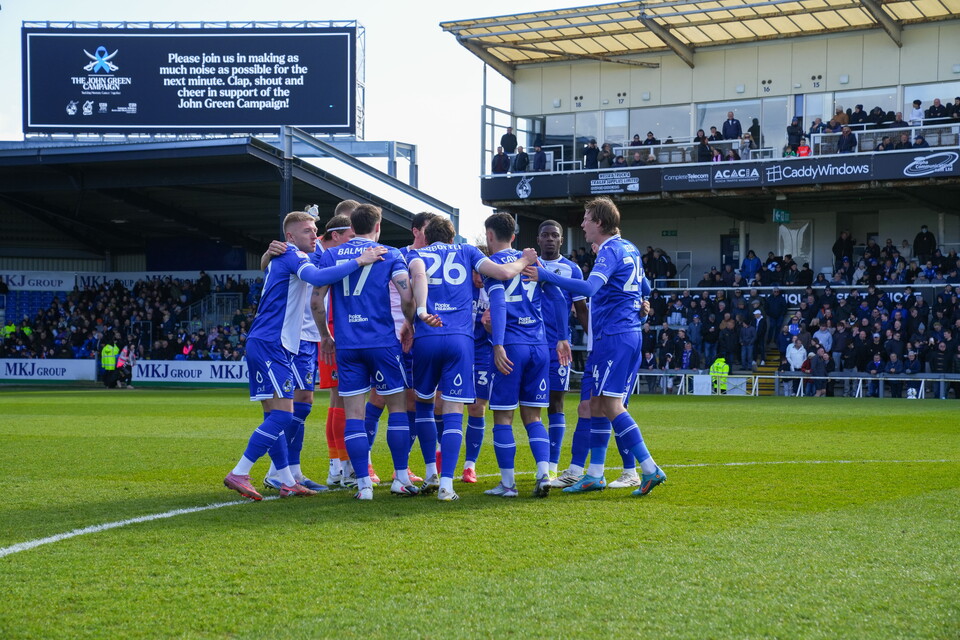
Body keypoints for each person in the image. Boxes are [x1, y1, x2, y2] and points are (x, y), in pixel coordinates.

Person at [223, 210, 385, 501]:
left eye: (314, 229)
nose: (314, 235)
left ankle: (286, 479)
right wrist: (360, 260)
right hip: (271, 342)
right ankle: (240, 472)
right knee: (282, 414)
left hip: (277, 343)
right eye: (308, 230)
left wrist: (267, 256)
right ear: (290, 236)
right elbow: (318, 277)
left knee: (280, 413)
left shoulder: (295, 254)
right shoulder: (293, 254)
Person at [525, 197, 666, 497]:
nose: (582, 224)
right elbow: (646, 288)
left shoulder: (611, 250)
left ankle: (648, 468)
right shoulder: (629, 248)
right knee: (596, 405)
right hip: (618, 335)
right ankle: (594, 474)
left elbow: (590, 288)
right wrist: (641, 306)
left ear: (599, 222)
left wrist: (545, 275)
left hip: (615, 336)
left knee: (612, 405)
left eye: (586, 218)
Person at [407, 216, 539, 500]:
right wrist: (525, 259)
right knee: (455, 411)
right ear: (452, 238)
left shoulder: (416, 254)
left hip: (426, 335)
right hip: (460, 340)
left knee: (425, 406)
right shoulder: (466, 250)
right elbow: (503, 273)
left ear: (426, 238)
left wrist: (415, 316)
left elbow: (415, 283)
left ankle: (430, 472)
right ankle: (446, 485)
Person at [312, 204, 431, 501]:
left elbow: (316, 301)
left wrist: (325, 336)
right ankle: (400, 477)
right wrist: (409, 323)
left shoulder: (331, 255)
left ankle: (363, 484)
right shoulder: (389, 254)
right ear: (378, 226)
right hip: (382, 342)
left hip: (348, 345)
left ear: (352, 227)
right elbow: (407, 297)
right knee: (398, 409)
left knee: (353, 414)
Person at [481, 213, 570, 499]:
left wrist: (497, 344)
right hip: (540, 347)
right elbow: (558, 298)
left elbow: (497, 302)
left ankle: (508, 485)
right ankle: (544, 474)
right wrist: (563, 337)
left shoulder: (493, 266)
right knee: (534, 416)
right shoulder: (532, 261)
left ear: (490, 236)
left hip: (511, 346)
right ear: (514, 236)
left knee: (503, 417)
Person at [535, 220, 588, 479]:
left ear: (561, 240)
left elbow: (581, 309)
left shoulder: (572, 269)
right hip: (531, 343)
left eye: (554, 235)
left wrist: (594, 342)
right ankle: (541, 465)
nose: (550, 239)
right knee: (531, 404)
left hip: (558, 346)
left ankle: (553, 466)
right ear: (538, 239)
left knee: (556, 402)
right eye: (545, 235)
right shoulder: (528, 265)